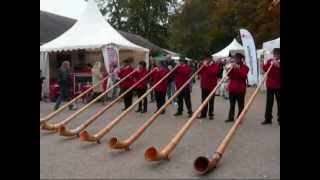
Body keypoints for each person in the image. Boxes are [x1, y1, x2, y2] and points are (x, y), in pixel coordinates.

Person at [225, 53, 249, 123]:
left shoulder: (245, 67)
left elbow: (244, 76)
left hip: (240, 89)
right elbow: (229, 75)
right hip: (232, 88)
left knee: (240, 105)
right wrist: (228, 69)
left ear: (240, 59)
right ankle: (230, 117)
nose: (235, 60)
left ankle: (240, 118)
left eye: (236, 58)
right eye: (235, 58)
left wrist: (238, 69)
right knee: (232, 104)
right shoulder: (232, 66)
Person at [261, 48, 280, 125]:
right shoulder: (270, 61)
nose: (275, 55)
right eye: (274, 53)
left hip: (279, 85)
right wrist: (270, 63)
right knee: (269, 103)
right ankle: (268, 119)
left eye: (277, 53)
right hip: (270, 85)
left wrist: (278, 65)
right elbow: (264, 69)